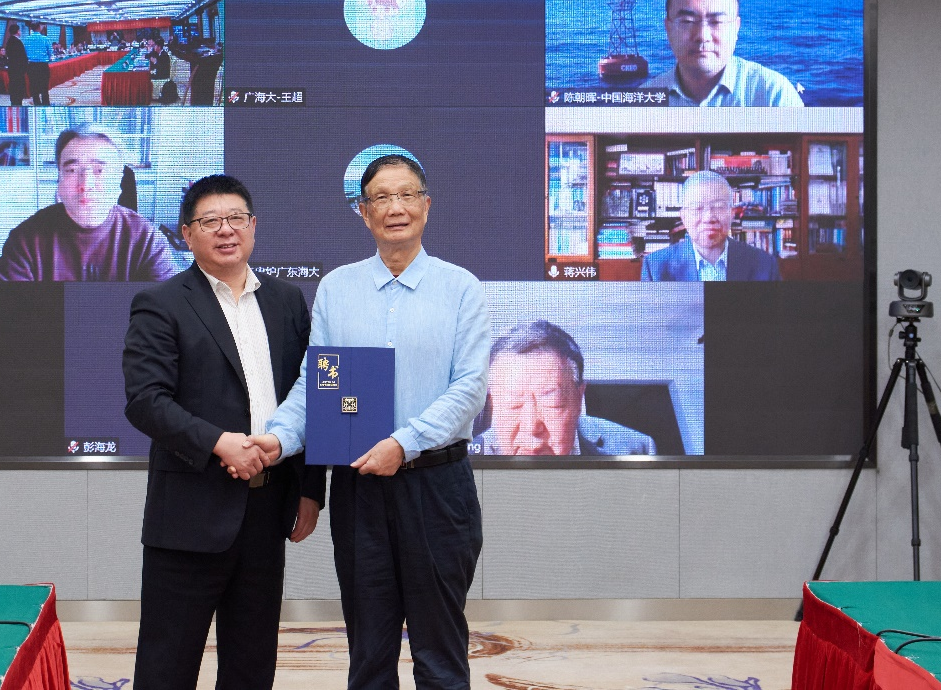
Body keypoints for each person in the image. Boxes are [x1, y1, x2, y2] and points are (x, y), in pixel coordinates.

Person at [257, 154, 490, 690]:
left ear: (426, 205)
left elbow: (469, 388)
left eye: (406, 194)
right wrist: (278, 438)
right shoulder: (337, 289)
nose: (395, 208)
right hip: (359, 489)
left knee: (440, 653)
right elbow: (318, 387)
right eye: (381, 198)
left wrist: (403, 444)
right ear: (363, 213)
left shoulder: (461, 288)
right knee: (368, 652)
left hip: (437, 488)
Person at [122, 175, 325, 690]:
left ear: (253, 226)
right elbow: (146, 402)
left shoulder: (287, 301)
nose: (226, 230)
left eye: (236, 218)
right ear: (187, 234)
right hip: (189, 515)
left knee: (251, 665)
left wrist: (309, 488)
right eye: (210, 221)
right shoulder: (161, 302)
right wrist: (218, 442)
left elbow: (309, 394)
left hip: (267, 509)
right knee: (167, 668)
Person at [0, 128, 176, 282]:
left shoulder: (147, 240)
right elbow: (9, 309)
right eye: (72, 170)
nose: (86, 184)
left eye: (100, 170)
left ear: (119, 179)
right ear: (59, 180)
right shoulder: (25, 240)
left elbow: (168, 309)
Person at [472, 321, 656, 456]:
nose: (531, 427)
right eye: (513, 403)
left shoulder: (636, 449)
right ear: (493, 402)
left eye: (551, 403)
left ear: (579, 399)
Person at [641, 0, 804, 107]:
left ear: (736, 28)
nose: (702, 36)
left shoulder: (774, 94)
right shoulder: (643, 100)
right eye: (688, 21)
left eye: (717, 22)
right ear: (668, 28)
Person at [641, 170, 780, 281]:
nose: (708, 218)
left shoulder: (765, 265)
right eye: (697, 208)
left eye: (719, 207)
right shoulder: (655, 267)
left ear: (732, 214)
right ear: (684, 217)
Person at [23, 22, 52, 105]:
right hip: (43, 66)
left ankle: (37, 104)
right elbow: (50, 52)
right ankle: (46, 104)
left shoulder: (27, 39)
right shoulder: (45, 39)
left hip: (31, 66)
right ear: (39, 28)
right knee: (44, 87)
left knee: (33, 86)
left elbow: (25, 52)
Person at [3, 23, 29, 107]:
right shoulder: (18, 42)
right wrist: (25, 68)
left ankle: (14, 103)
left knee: (13, 87)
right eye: (19, 30)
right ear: (17, 31)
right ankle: (18, 105)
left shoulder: (9, 41)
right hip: (18, 70)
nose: (20, 32)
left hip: (12, 69)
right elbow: (22, 57)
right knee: (19, 89)